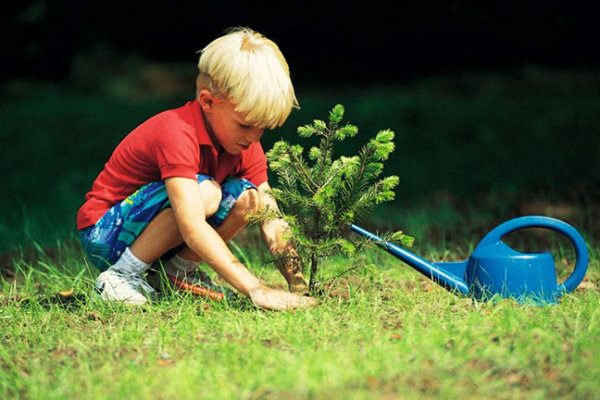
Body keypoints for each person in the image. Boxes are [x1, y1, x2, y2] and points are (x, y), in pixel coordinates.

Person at [77, 27, 315, 310]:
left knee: (251, 198)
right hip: (105, 232)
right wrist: (256, 289)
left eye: (262, 128)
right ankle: (119, 276)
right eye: (245, 124)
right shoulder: (177, 132)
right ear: (208, 101)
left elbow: (271, 219)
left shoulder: (244, 145)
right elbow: (190, 225)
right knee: (206, 194)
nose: (254, 138)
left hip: (149, 233)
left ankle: (175, 275)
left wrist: (298, 286)